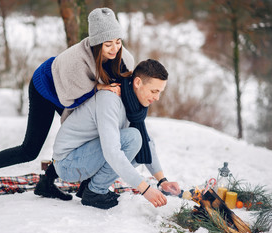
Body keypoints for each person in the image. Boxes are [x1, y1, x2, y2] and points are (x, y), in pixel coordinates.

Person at [0, 7, 134, 203]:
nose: (115, 49)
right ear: (96, 44)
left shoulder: (122, 58)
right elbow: (70, 102)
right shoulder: (77, 63)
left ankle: (50, 184)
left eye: (118, 42)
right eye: (108, 44)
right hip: (47, 88)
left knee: (91, 132)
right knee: (29, 150)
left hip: (73, 89)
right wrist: (98, 87)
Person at [52, 59, 181, 209]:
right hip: (68, 162)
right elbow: (112, 151)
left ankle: (90, 185)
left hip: (86, 156)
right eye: (154, 91)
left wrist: (162, 181)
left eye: (160, 92)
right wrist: (145, 189)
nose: (157, 98)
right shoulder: (110, 99)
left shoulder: (133, 104)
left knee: (140, 145)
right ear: (138, 83)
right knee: (133, 138)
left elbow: (147, 142)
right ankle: (94, 192)